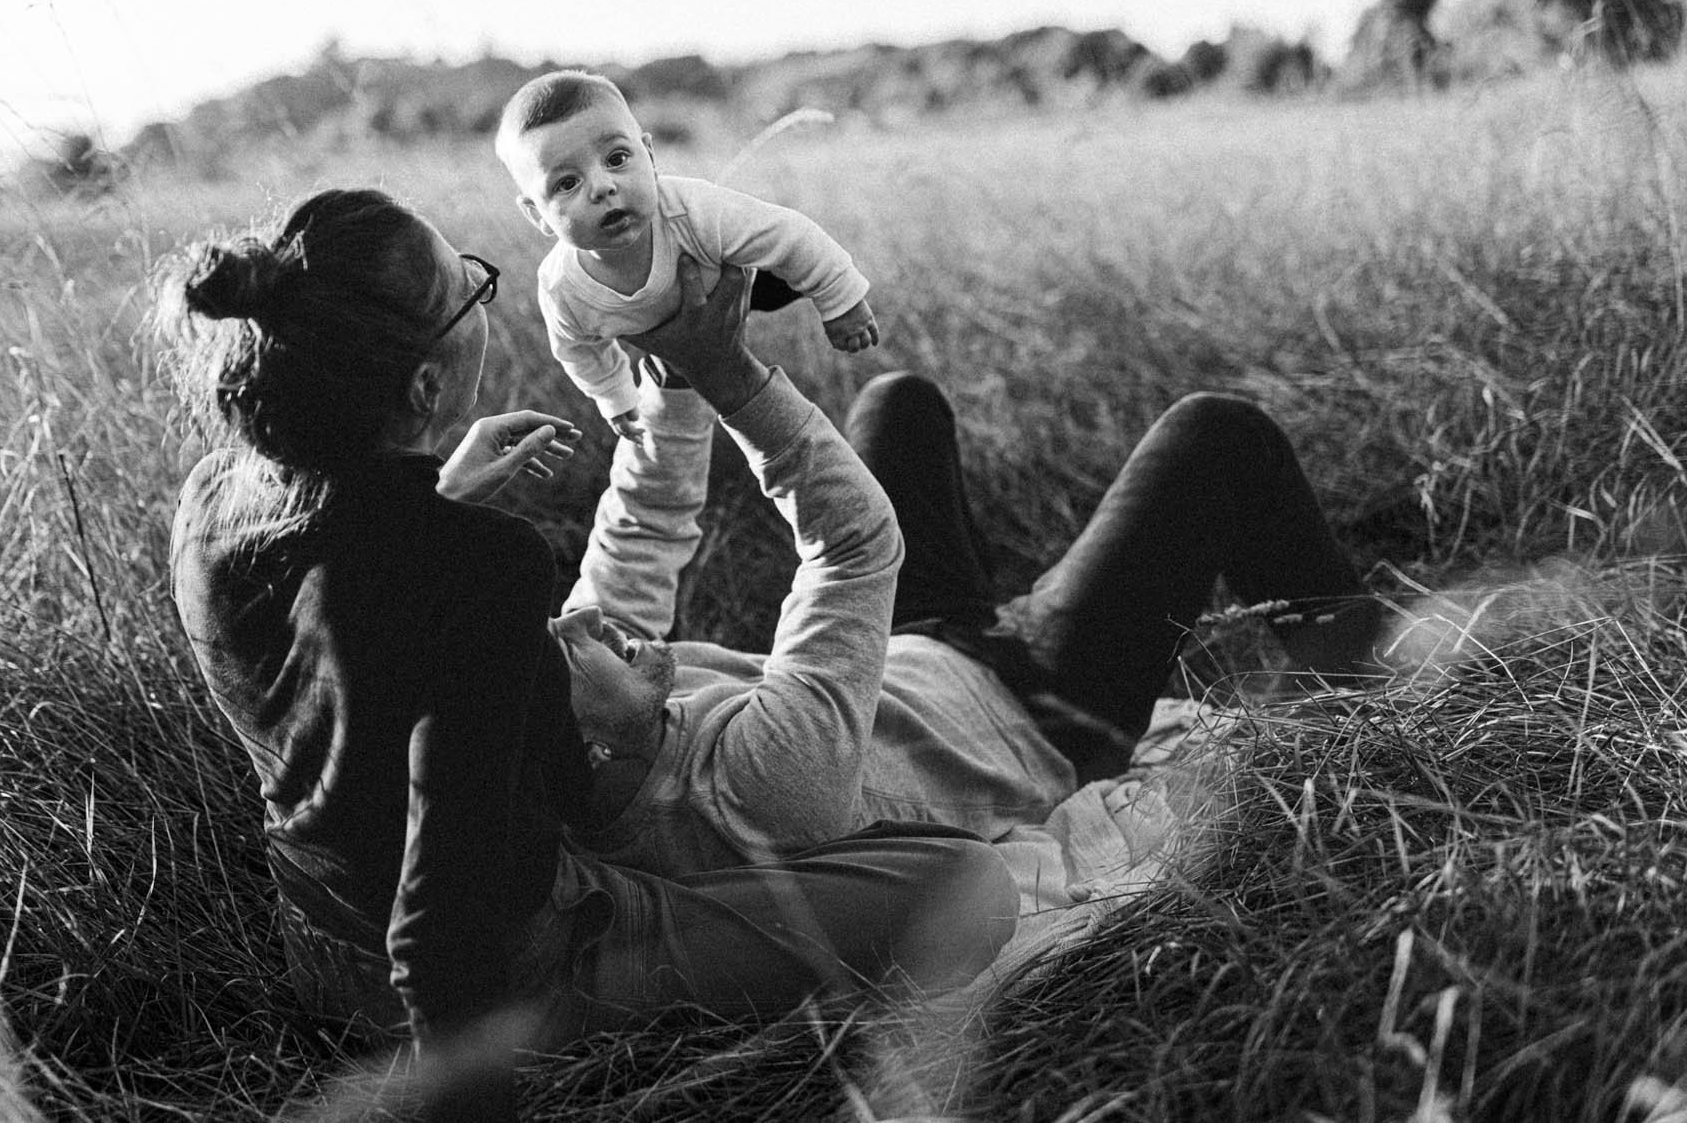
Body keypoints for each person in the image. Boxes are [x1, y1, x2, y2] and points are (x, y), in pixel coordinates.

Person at [159, 189, 1015, 1116]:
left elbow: (351, 669)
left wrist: (436, 497)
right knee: (966, 886)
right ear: (424, 389)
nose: (487, 301)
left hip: (315, 940)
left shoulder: (213, 503)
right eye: (470, 292)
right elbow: (447, 901)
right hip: (513, 973)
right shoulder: (480, 566)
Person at [557, 249, 1392, 880]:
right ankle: (1390, 709)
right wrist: (727, 373)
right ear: (580, 750)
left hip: (906, 651)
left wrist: (667, 373)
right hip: (1040, 705)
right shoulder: (761, 788)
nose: (582, 619)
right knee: (1217, 436)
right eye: (563, 644)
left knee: (897, 402)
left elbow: (642, 530)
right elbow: (852, 543)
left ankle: (998, 602)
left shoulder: (598, 701)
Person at [495, 68, 879, 445]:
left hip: (726, 269)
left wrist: (839, 299)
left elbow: (790, 234)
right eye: (566, 183)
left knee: (775, 269)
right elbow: (577, 349)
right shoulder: (562, 288)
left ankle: (791, 287)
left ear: (649, 155)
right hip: (664, 325)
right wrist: (615, 397)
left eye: (616, 159)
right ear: (537, 214)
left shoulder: (694, 210)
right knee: (673, 408)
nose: (602, 187)